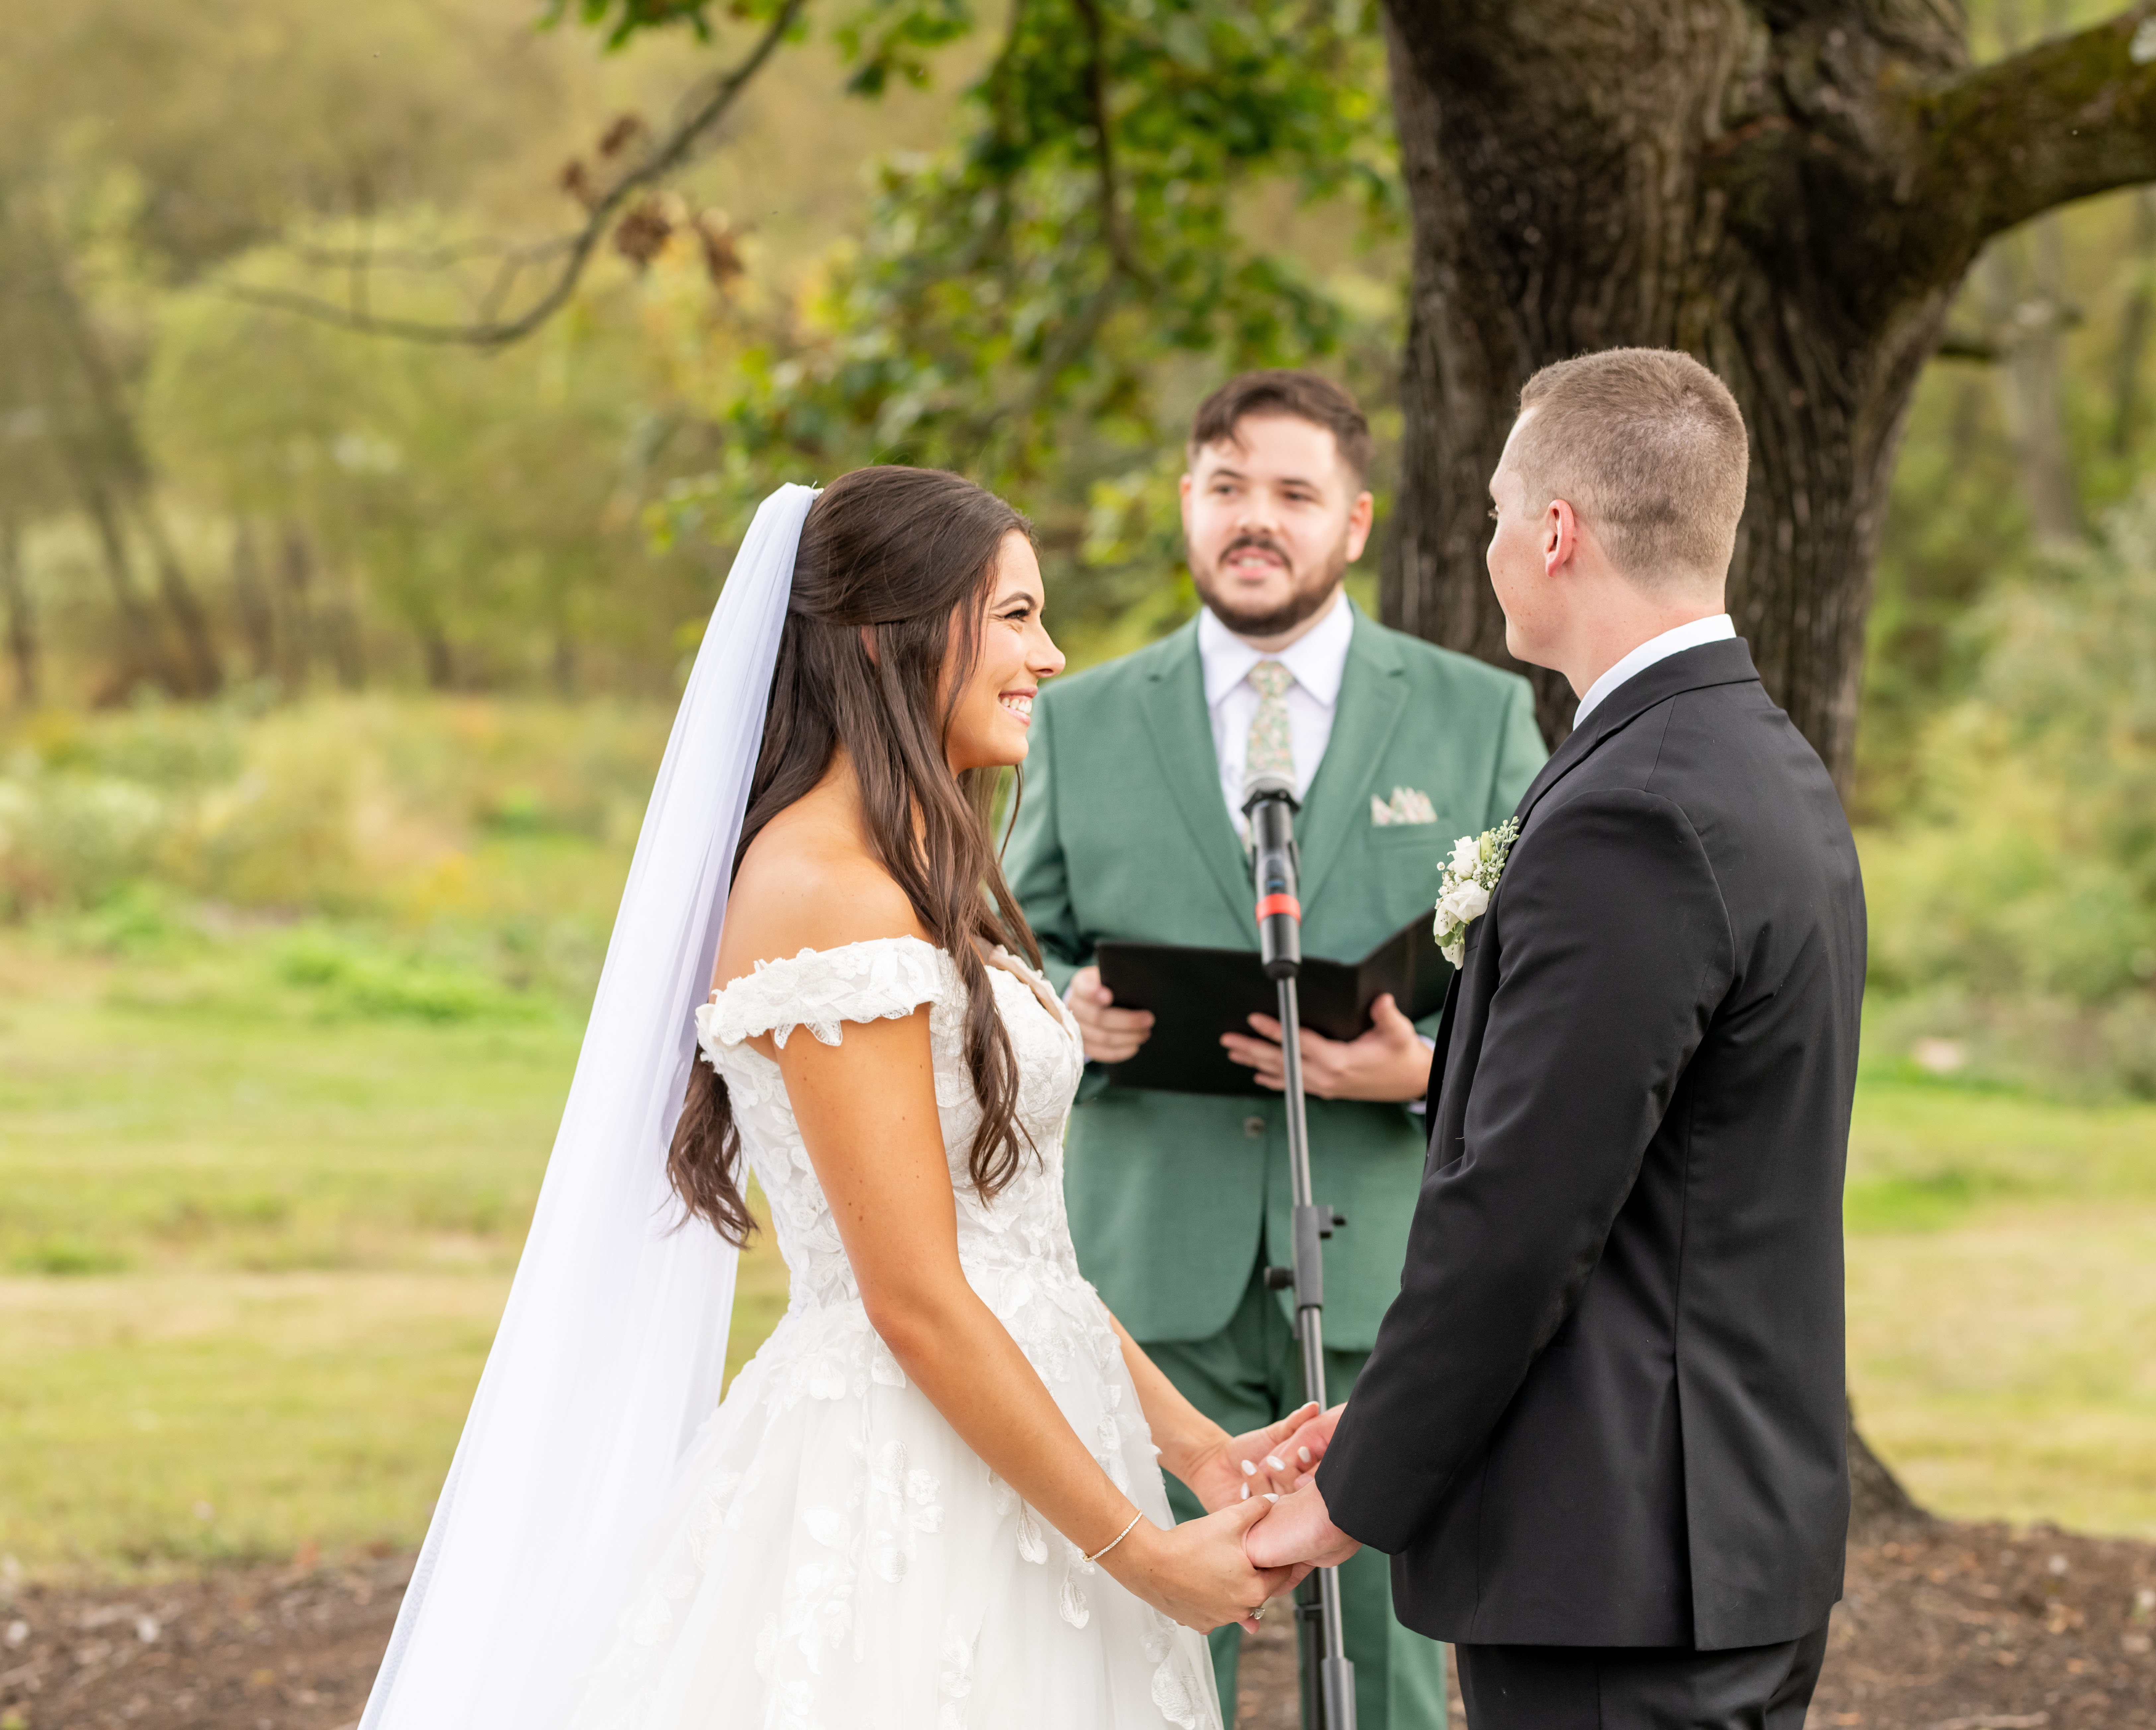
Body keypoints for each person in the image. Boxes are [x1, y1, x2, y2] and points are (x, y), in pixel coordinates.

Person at [362, 468, 1324, 1730]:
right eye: (1018, 617)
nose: (1052, 652)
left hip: (1034, 1439)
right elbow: (916, 1298)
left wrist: (1198, 1450)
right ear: (893, 632)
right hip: (908, 1472)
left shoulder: (910, 874)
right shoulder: (825, 892)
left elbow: (1016, 1255)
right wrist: (1140, 1554)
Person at [1248, 349, 1869, 1730]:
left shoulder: (1634, 805)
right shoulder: (1759, 760)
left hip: (1622, 1564)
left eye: (1490, 512)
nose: (1482, 546)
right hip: (1717, 1527)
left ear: (1556, 532)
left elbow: (1523, 1209)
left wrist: (1352, 1496)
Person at [1001, 370, 1546, 1729]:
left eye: (1293, 493)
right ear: (1188, 502)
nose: (1258, 518)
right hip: (1148, 1273)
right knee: (1131, 1649)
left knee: (1387, 1665)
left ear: (1354, 520)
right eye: (1228, 485)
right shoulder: (1072, 715)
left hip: (1381, 1275)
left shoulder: (1480, 716)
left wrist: (1425, 1065)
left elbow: (1551, 976)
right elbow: (1005, 943)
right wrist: (1063, 1007)